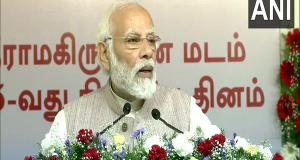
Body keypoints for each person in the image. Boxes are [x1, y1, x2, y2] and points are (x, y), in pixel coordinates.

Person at [47, 0, 220, 145]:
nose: (148, 51)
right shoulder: (70, 121)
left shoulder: (185, 111)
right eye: (133, 40)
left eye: (151, 40)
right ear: (105, 54)